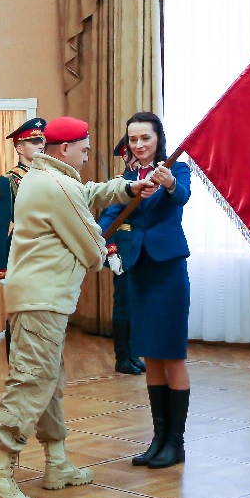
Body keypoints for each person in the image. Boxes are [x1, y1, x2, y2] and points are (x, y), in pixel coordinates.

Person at [0, 117, 153, 498]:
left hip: (43, 297)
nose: (88, 155)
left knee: (49, 380)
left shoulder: (44, 177)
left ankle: (56, 463)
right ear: (64, 150)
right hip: (43, 298)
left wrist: (127, 188)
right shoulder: (56, 187)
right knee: (32, 380)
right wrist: (103, 248)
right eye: (84, 148)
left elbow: (87, 191)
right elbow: (92, 247)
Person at [98, 112, 191, 470]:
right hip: (138, 270)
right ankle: (158, 438)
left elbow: (181, 197)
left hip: (167, 270)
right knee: (151, 354)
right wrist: (97, 239)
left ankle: (176, 442)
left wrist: (168, 184)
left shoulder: (176, 169)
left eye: (145, 139)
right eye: (133, 139)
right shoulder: (127, 179)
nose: (138, 145)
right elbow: (112, 217)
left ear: (158, 140)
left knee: (172, 354)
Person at [104, 137, 144, 376]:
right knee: (124, 308)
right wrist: (112, 252)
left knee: (138, 307)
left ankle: (134, 353)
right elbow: (107, 222)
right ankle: (122, 357)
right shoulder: (121, 184)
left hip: (142, 251)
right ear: (126, 157)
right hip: (124, 252)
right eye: (131, 155)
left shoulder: (149, 180)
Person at [0, 118, 46, 282]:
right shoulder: (9, 181)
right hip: (24, 251)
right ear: (19, 148)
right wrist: (0, 268)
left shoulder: (50, 176)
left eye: (41, 140)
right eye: (34, 142)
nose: (41, 145)